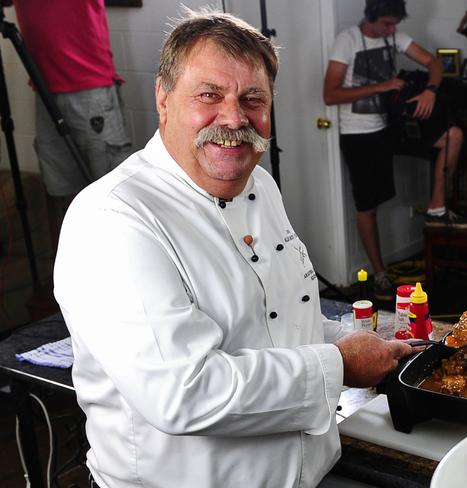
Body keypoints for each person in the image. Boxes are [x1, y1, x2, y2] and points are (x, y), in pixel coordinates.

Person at [54, 8, 418, 488]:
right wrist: (341, 363)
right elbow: (186, 393)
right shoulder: (115, 218)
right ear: (163, 99)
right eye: (209, 95)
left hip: (309, 474)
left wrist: (350, 340)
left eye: (253, 99)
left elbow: (278, 320)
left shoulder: (259, 184)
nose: (233, 117)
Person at [323, 0, 467, 300]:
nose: (392, 30)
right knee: (368, 206)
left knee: (453, 135)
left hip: (390, 126)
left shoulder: (394, 36)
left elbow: (434, 63)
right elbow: (330, 94)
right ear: (371, 17)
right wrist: (380, 87)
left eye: (395, 24)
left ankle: (436, 207)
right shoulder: (348, 41)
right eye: (386, 24)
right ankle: (380, 274)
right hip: (359, 133)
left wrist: (430, 91)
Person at [13, 0, 133, 250]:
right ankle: (73, 269)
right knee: (61, 189)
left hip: (87, 83)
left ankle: (121, 268)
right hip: (44, 85)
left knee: (111, 191)